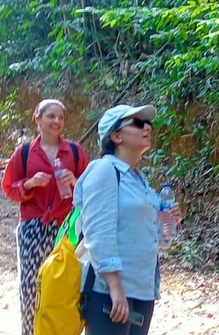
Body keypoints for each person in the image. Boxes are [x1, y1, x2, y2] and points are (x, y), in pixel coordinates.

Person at [73, 104, 182, 335]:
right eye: (138, 123)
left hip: (141, 288)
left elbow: (154, 238)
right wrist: (115, 286)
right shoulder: (104, 171)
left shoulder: (138, 179)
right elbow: (98, 232)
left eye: (148, 124)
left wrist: (168, 222)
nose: (147, 128)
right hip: (109, 289)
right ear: (116, 136)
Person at [0, 99, 89, 335]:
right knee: (31, 290)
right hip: (32, 227)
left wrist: (75, 181)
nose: (57, 121)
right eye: (51, 116)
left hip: (67, 228)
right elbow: (8, 188)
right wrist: (29, 183)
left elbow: (92, 190)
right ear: (37, 119)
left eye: (61, 117)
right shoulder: (25, 153)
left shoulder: (74, 152)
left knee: (65, 288)